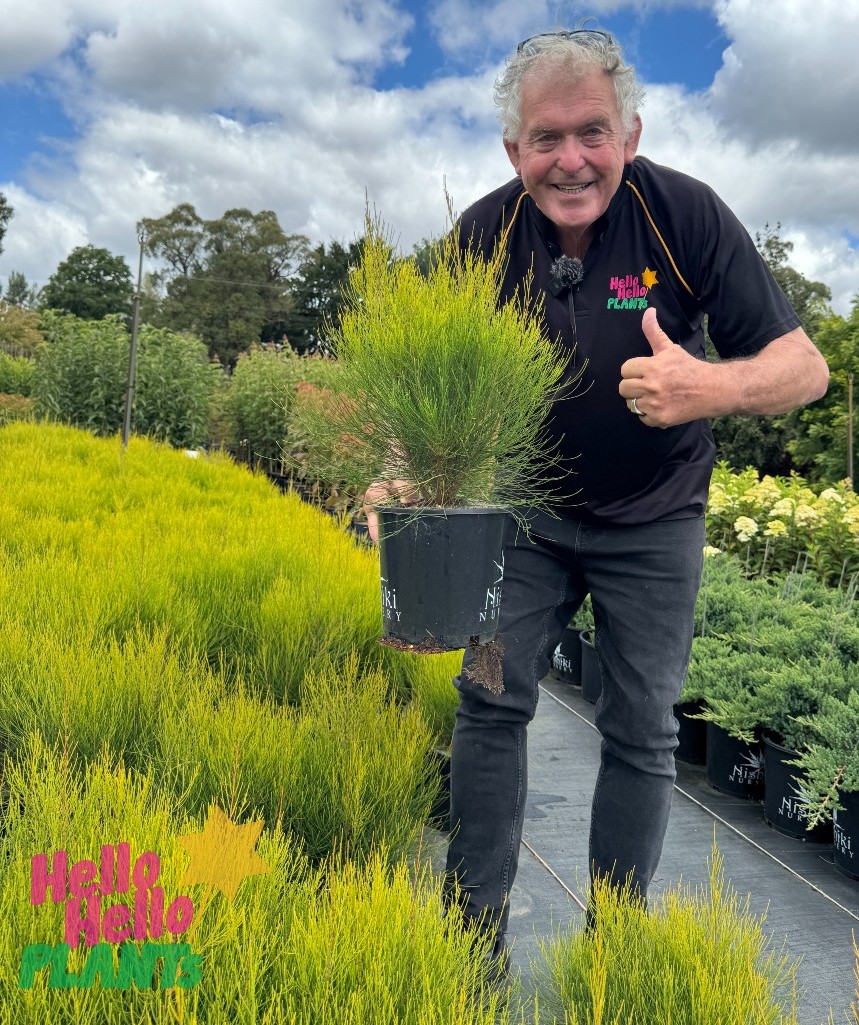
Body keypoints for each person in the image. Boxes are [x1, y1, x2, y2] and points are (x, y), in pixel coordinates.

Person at [367, 28, 829, 963]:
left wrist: (714, 387)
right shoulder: (481, 239)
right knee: (489, 700)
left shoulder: (683, 215)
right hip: (520, 527)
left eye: (591, 132)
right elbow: (416, 377)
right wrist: (403, 461)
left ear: (629, 133)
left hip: (655, 522)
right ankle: (470, 944)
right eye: (545, 138)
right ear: (513, 152)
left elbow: (804, 367)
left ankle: (612, 947)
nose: (569, 159)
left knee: (642, 729)